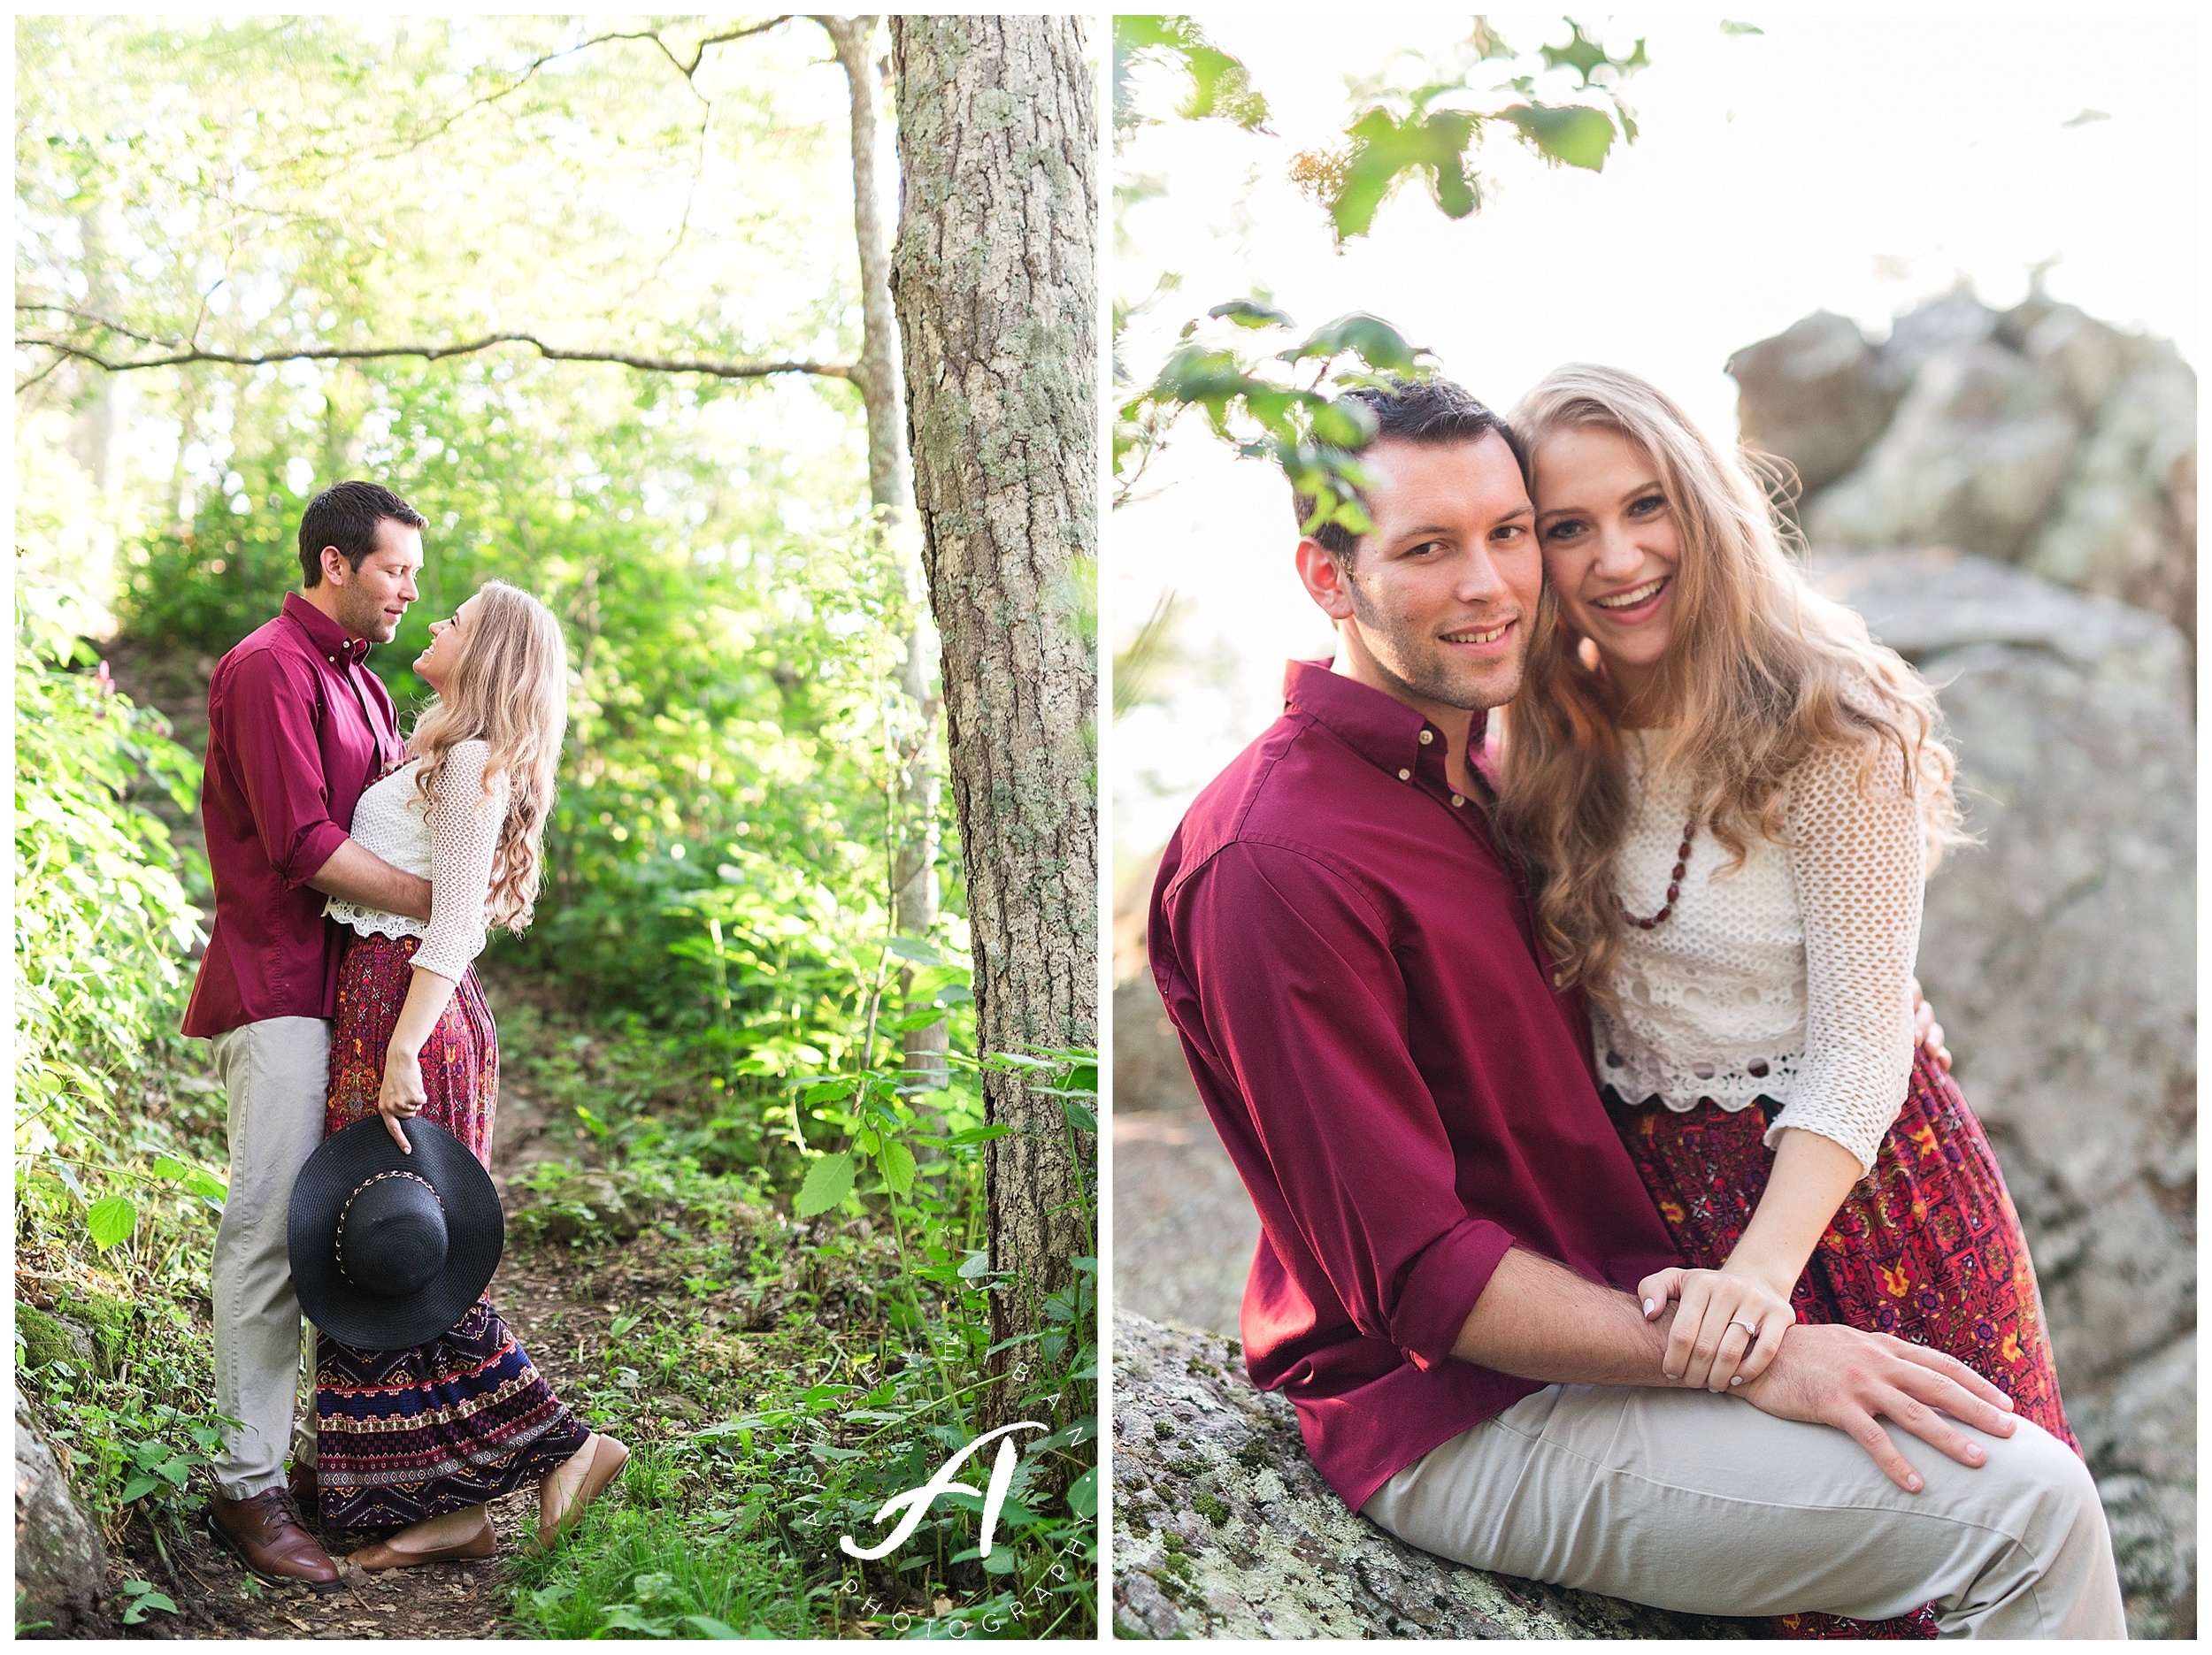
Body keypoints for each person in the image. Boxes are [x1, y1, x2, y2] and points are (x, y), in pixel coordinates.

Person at [1146, 379, 2124, 1635]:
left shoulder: (1486, 769)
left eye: (1509, 530)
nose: (1494, 581)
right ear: (1328, 577)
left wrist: (1853, 1031)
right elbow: (1420, 1278)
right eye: (1429, 548)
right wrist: (1755, 1349)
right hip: (1472, 1406)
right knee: (2030, 1512)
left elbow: (1771, 998)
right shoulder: (1281, 856)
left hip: (1663, 1291)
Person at [1500, 365, 2078, 1635]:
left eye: (1646, 505)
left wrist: (1758, 1281)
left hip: (1858, 1191)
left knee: (1955, 1559)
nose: (1616, 556)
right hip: (1661, 1218)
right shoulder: (1539, 733)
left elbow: (1867, 1045)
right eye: (1565, 526)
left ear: (1704, 500)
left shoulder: (1832, 715)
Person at [302, 578, 627, 1569]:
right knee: (373, 1247)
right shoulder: (443, 749)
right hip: (382, 1004)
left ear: (485, 652)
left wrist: (401, 1046)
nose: (434, 622)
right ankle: (446, 1509)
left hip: (415, 1017)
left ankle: (567, 1448)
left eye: (455, 619)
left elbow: (455, 919)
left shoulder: (478, 761)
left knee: (402, 1244)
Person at [188, 480, 435, 1591]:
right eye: (393, 570)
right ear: (335, 563)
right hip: (280, 984)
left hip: (352, 997)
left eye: (415, 576)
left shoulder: (364, 683)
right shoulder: (267, 668)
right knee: (265, 1227)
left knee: (341, 1234)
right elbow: (303, 845)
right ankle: (245, 1485)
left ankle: (307, 1464)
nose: (406, 592)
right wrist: (445, 901)